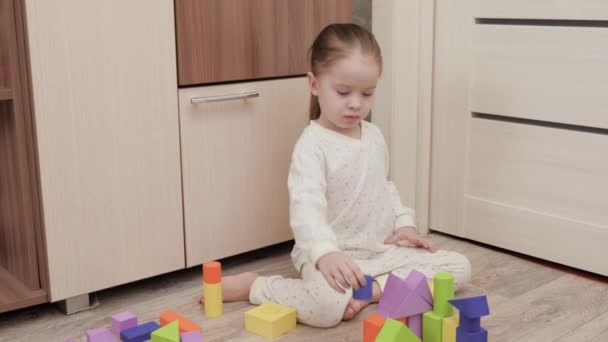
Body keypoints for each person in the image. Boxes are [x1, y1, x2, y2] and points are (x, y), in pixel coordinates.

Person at [200, 23, 471, 328]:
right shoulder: (312, 145)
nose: (356, 103)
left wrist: (404, 225)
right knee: (326, 309)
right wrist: (324, 253)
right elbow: (306, 209)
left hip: (380, 251)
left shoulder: (374, 135)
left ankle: (371, 292)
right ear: (314, 84)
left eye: (367, 93)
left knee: (457, 267)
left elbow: (384, 187)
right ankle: (256, 286)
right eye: (343, 92)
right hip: (331, 254)